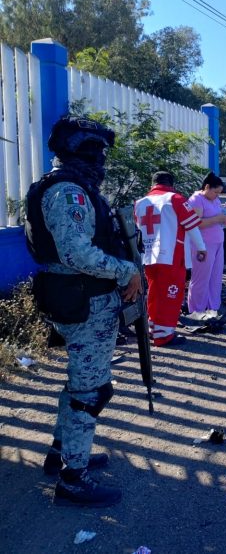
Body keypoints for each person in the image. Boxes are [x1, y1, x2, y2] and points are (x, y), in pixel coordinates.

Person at [25, 115, 142, 507]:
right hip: (84, 302)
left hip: (83, 299)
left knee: (82, 386)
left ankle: (61, 454)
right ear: (82, 151)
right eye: (97, 150)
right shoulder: (69, 192)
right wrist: (125, 270)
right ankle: (72, 478)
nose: (102, 159)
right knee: (91, 392)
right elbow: (76, 253)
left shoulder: (69, 187)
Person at [135, 171, 207, 346]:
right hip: (171, 256)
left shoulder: (140, 203)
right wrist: (201, 248)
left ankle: (153, 330)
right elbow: (192, 227)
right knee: (170, 296)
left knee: (154, 294)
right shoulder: (175, 199)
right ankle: (164, 336)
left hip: (148, 256)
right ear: (171, 184)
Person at [187, 173, 226, 316]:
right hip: (203, 245)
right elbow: (196, 223)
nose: (217, 196)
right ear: (207, 187)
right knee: (201, 278)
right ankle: (196, 310)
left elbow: (216, 217)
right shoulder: (196, 200)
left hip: (218, 242)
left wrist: (224, 219)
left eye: (219, 193)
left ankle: (213, 308)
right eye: (216, 192)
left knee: (215, 277)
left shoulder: (215, 200)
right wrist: (218, 218)